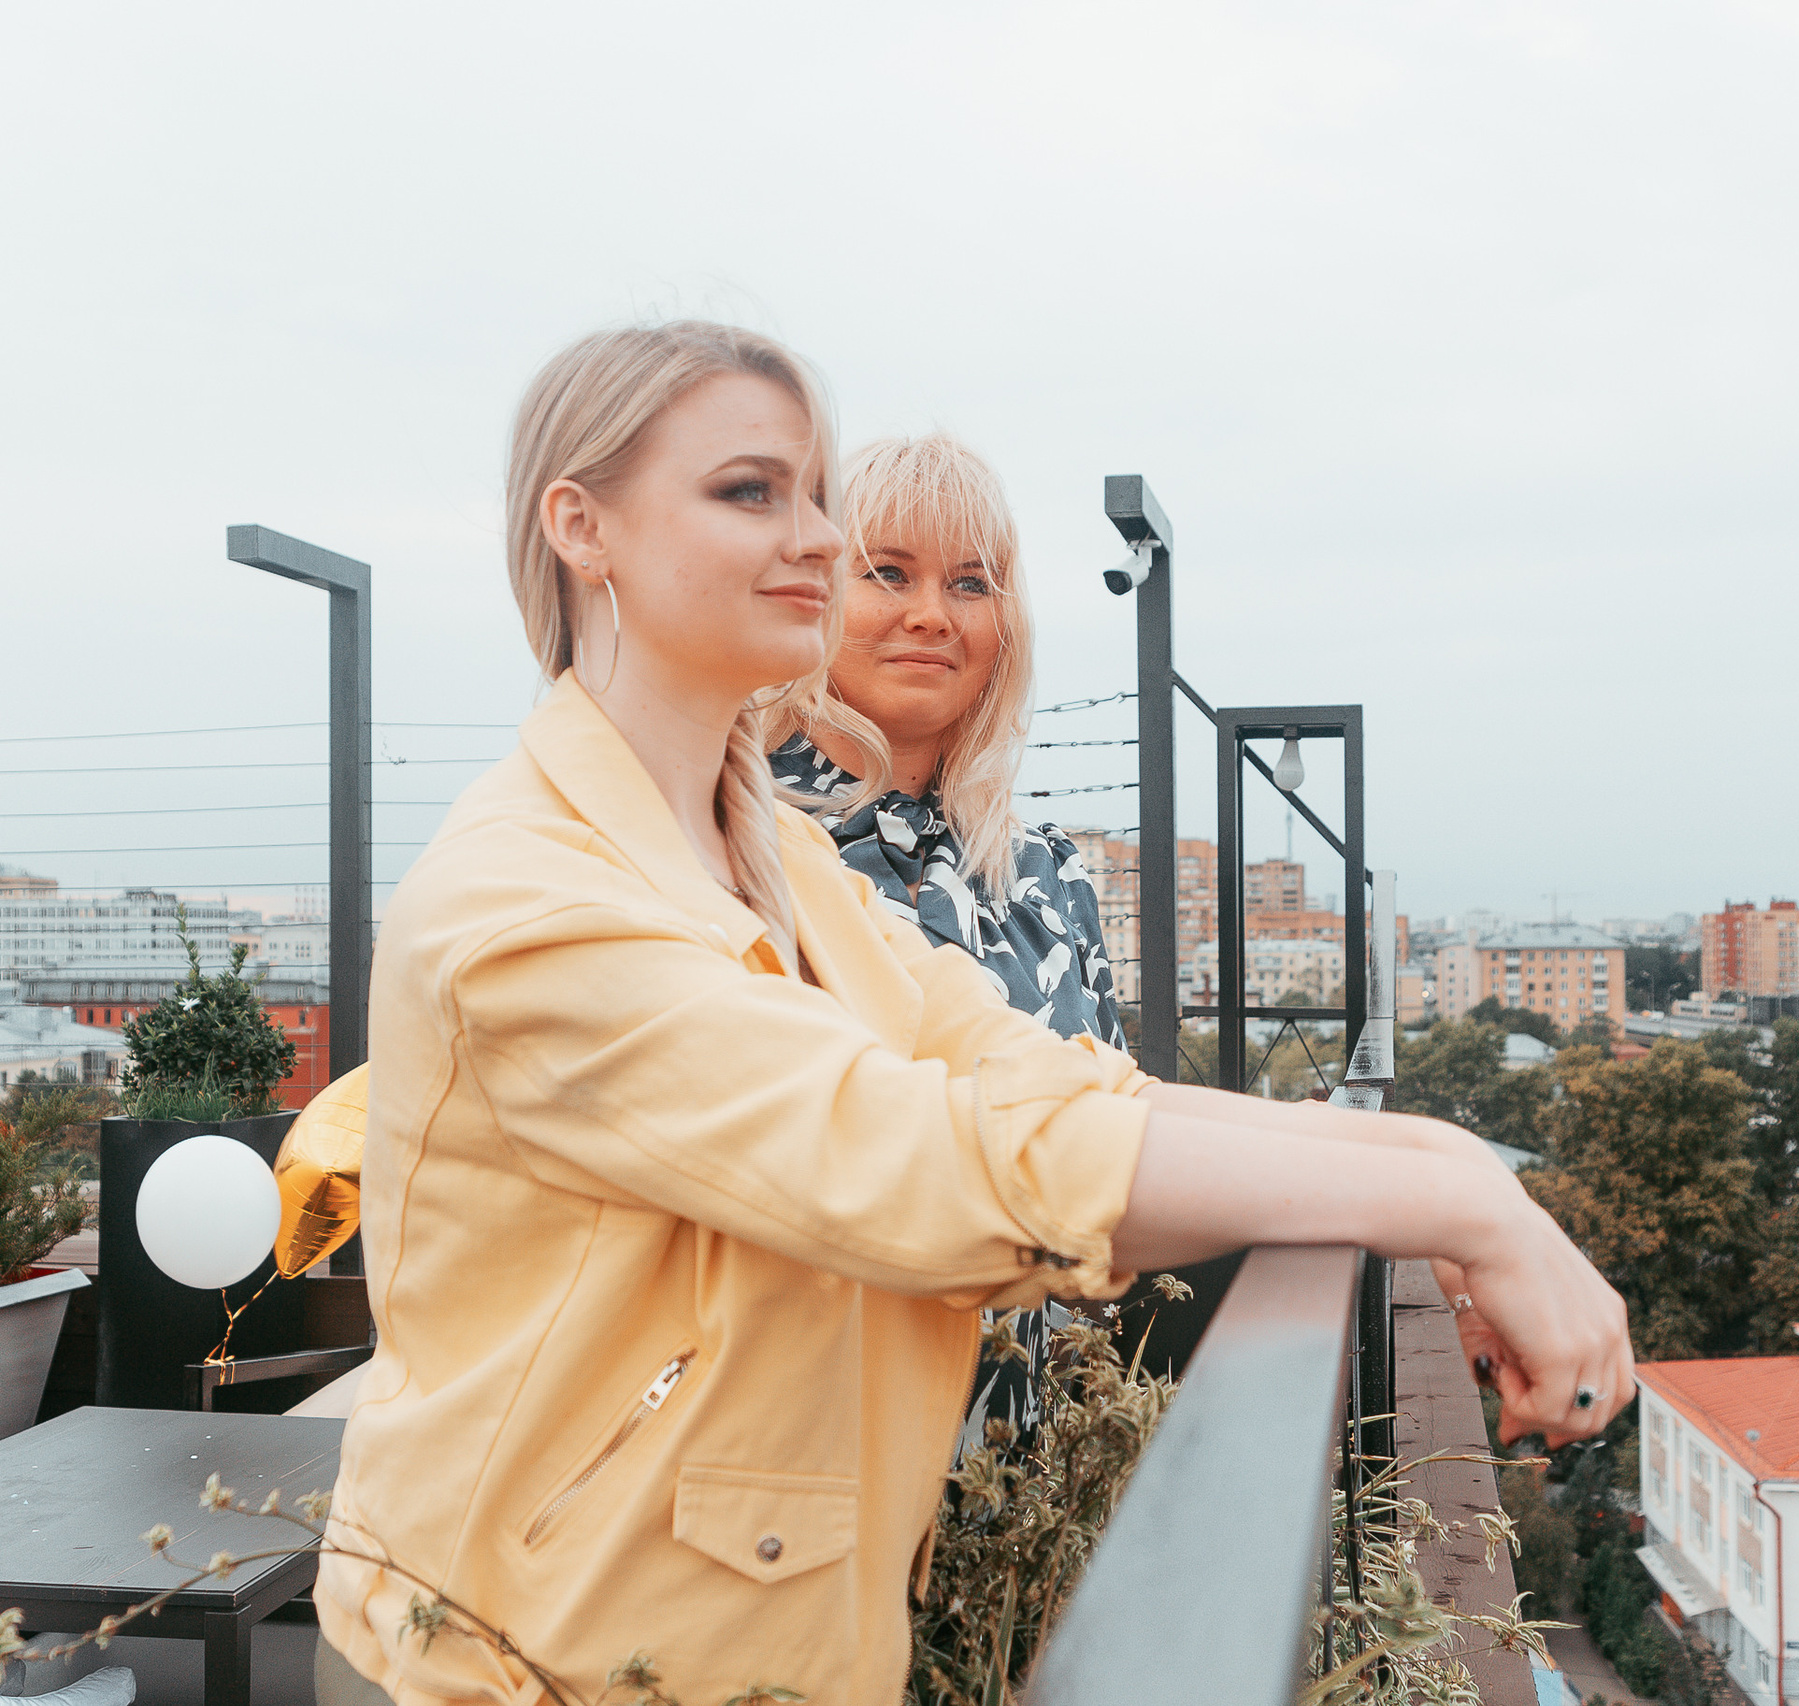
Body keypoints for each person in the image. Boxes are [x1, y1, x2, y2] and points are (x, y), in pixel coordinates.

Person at [315, 321, 1630, 1706]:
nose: (816, 538)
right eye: (751, 490)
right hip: (518, 1661)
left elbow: (1055, 1081)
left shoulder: (772, 856)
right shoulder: (529, 896)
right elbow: (920, 1155)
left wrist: (1451, 1167)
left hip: (764, 1636)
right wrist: (1461, 1206)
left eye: (817, 495)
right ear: (582, 526)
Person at [766, 432, 1119, 1457]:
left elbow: (1110, 1140)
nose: (932, 612)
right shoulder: (731, 841)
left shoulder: (1049, 877)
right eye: (887, 572)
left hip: (1020, 1473)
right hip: (800, 1463)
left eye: (971, 582)